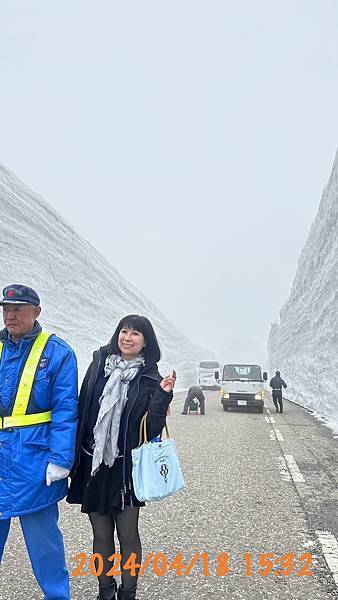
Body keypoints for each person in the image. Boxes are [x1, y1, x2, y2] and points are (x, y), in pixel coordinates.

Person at [67, 314, 176, 600]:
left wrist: (163, 396)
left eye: (135, 334)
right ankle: (105, 589)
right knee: (101, 535)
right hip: (95, 464)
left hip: (126, 468)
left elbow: (151, 429)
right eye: (124, 331)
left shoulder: (150, 378)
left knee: (128, 535)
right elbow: (83, 409)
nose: (127, 337)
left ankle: (128, 592)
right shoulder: (99, 367)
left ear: (145, 343)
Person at [0, 284, 78, 599]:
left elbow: (65, 411)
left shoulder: (58, 352)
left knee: (45, 545)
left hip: (34, 462)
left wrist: (60, 460)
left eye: (18, 308)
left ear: (37, 312)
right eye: (6, 308)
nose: (10, 314)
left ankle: (57, 596)